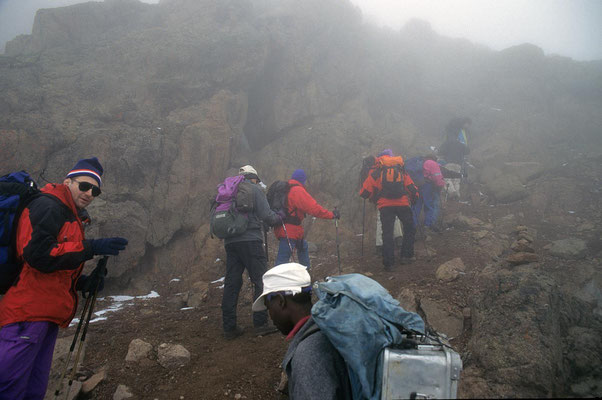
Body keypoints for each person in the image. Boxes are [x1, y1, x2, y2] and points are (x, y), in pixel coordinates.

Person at [0, 157, 128, 400]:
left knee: (32, 390)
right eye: (84, 186)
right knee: (9, 387)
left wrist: (83, 282)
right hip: (26, 314)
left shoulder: (70, 215)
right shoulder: (48, 206)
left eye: (96, 190)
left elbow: (51, 270)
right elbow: (37, 255)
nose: (90, 193)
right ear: (67, 181)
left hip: (46, 317)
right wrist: (92, 247)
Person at [252, 263, 352, 399]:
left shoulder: (307, 357)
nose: (270, 315)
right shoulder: (325, 327)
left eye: (268, 306)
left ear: (281, 301)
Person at [221, 165, 282, 340]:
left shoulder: (230, 191)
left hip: (231, 242)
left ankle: (229, 327)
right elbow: (267, 215)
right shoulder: (254, 189)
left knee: (232, 283)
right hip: (250, 241)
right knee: (261, 280)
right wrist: (279, 217)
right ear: (254, 178)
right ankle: (261, 323)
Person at [360, 149, 418, 269]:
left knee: (387, 233)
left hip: (385, 205)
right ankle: (406, 256)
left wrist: (374, 198)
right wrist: (413, 199)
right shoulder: (401, 170)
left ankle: (389, 263)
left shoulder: (377, 171)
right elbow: (412, 188)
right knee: (409, 228)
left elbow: (364, 192)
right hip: (402, 203)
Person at [274, 169, 339, 269]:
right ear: (303, 180)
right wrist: (331, 215)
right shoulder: (297, 191)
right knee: (282, 262)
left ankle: (305, 276)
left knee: (302, 248)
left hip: (287, 229)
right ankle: (303, 277)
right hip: (290, 231)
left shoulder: (288, 188)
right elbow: (314, 208)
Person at [412, 154, 445, 232]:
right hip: (428, 186)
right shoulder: (432, 163)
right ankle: (428, 226)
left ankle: (413, 225)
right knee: (429, 206)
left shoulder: (420, 162)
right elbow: (437, 177)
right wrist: (440, 186)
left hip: (417, 185)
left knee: (416, 206)